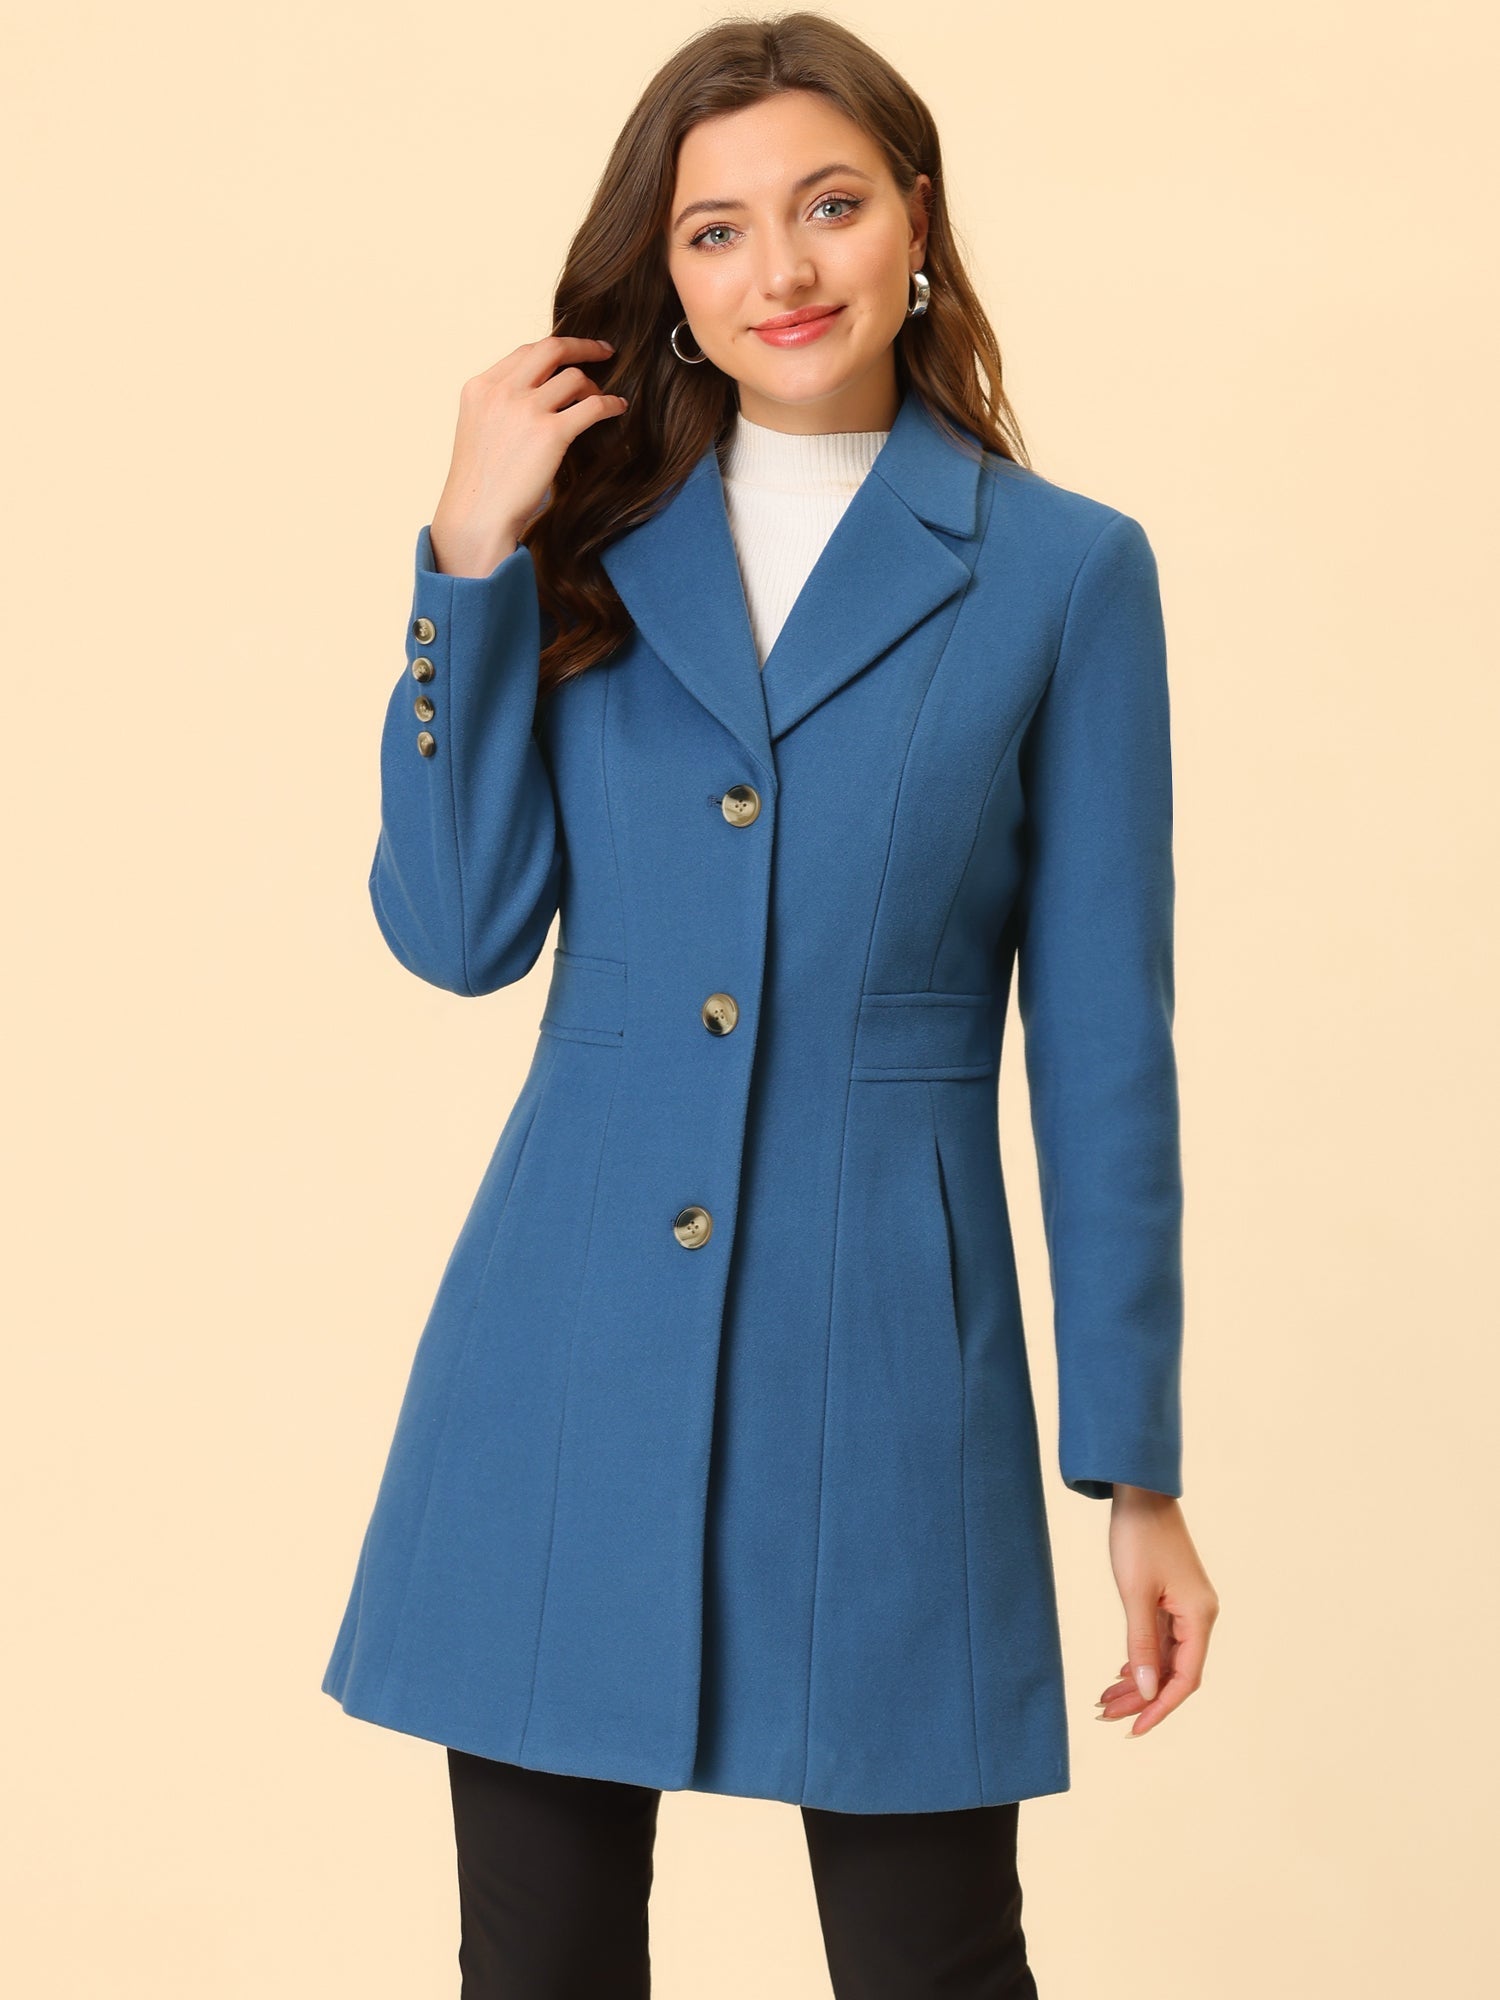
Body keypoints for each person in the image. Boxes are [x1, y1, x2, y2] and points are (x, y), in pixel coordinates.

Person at [322, 12, 1220, 1995]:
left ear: (918, 220)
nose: (782, 270)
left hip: (887, 1369)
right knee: (538, 1970)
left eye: (829, 206)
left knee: (932, 1966)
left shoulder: (1065, 576)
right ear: (664, 275)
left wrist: (1134, 1466)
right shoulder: (577, 544)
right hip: (559, 1361)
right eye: (716, 231)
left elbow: (1102, 1048)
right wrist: (465, 551)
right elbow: (458, 931)